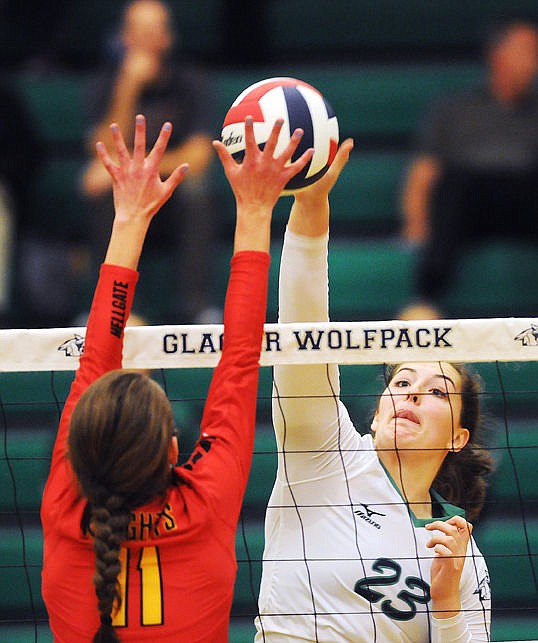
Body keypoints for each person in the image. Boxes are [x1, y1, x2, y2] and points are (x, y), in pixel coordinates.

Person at [41, 114, 313, 642]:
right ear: (172, 450)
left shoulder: (63, 505)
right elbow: (238, 357)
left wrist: (127, 221)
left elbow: (101, 358)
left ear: (78, 449)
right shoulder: (202, 503)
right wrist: (256, 210)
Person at [255, 139, 493, 641]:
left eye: (436, 391)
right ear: (377, 410)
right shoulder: (325, 453)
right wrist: (310, 206)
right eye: (402, 381)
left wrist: (447, 605)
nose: (410, 393)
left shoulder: (459, 549)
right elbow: (300, 333)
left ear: (458, 437)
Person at [81, 0, 218, 323]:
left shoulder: (192, 82)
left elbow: (198, 157)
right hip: (126, 201)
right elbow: (101, 149)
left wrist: (137, 173)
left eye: (152, 31)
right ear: (123, 37)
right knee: (103, 193)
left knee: (197, 194)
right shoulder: (104, 84)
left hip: (172, 196)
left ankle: (198, 310)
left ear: (167, 38)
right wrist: (128, 86)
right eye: (137, 31)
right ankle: (118, 312)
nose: (144, 39)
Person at [400, 18, 538, 312]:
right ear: (497, 55)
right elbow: (424, 172)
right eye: (527, 50)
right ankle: (424, 304)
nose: (533, 61)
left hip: (526, 204)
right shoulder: (453, 110)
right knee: (456, 184)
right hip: (468, 206)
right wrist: (415, 222)